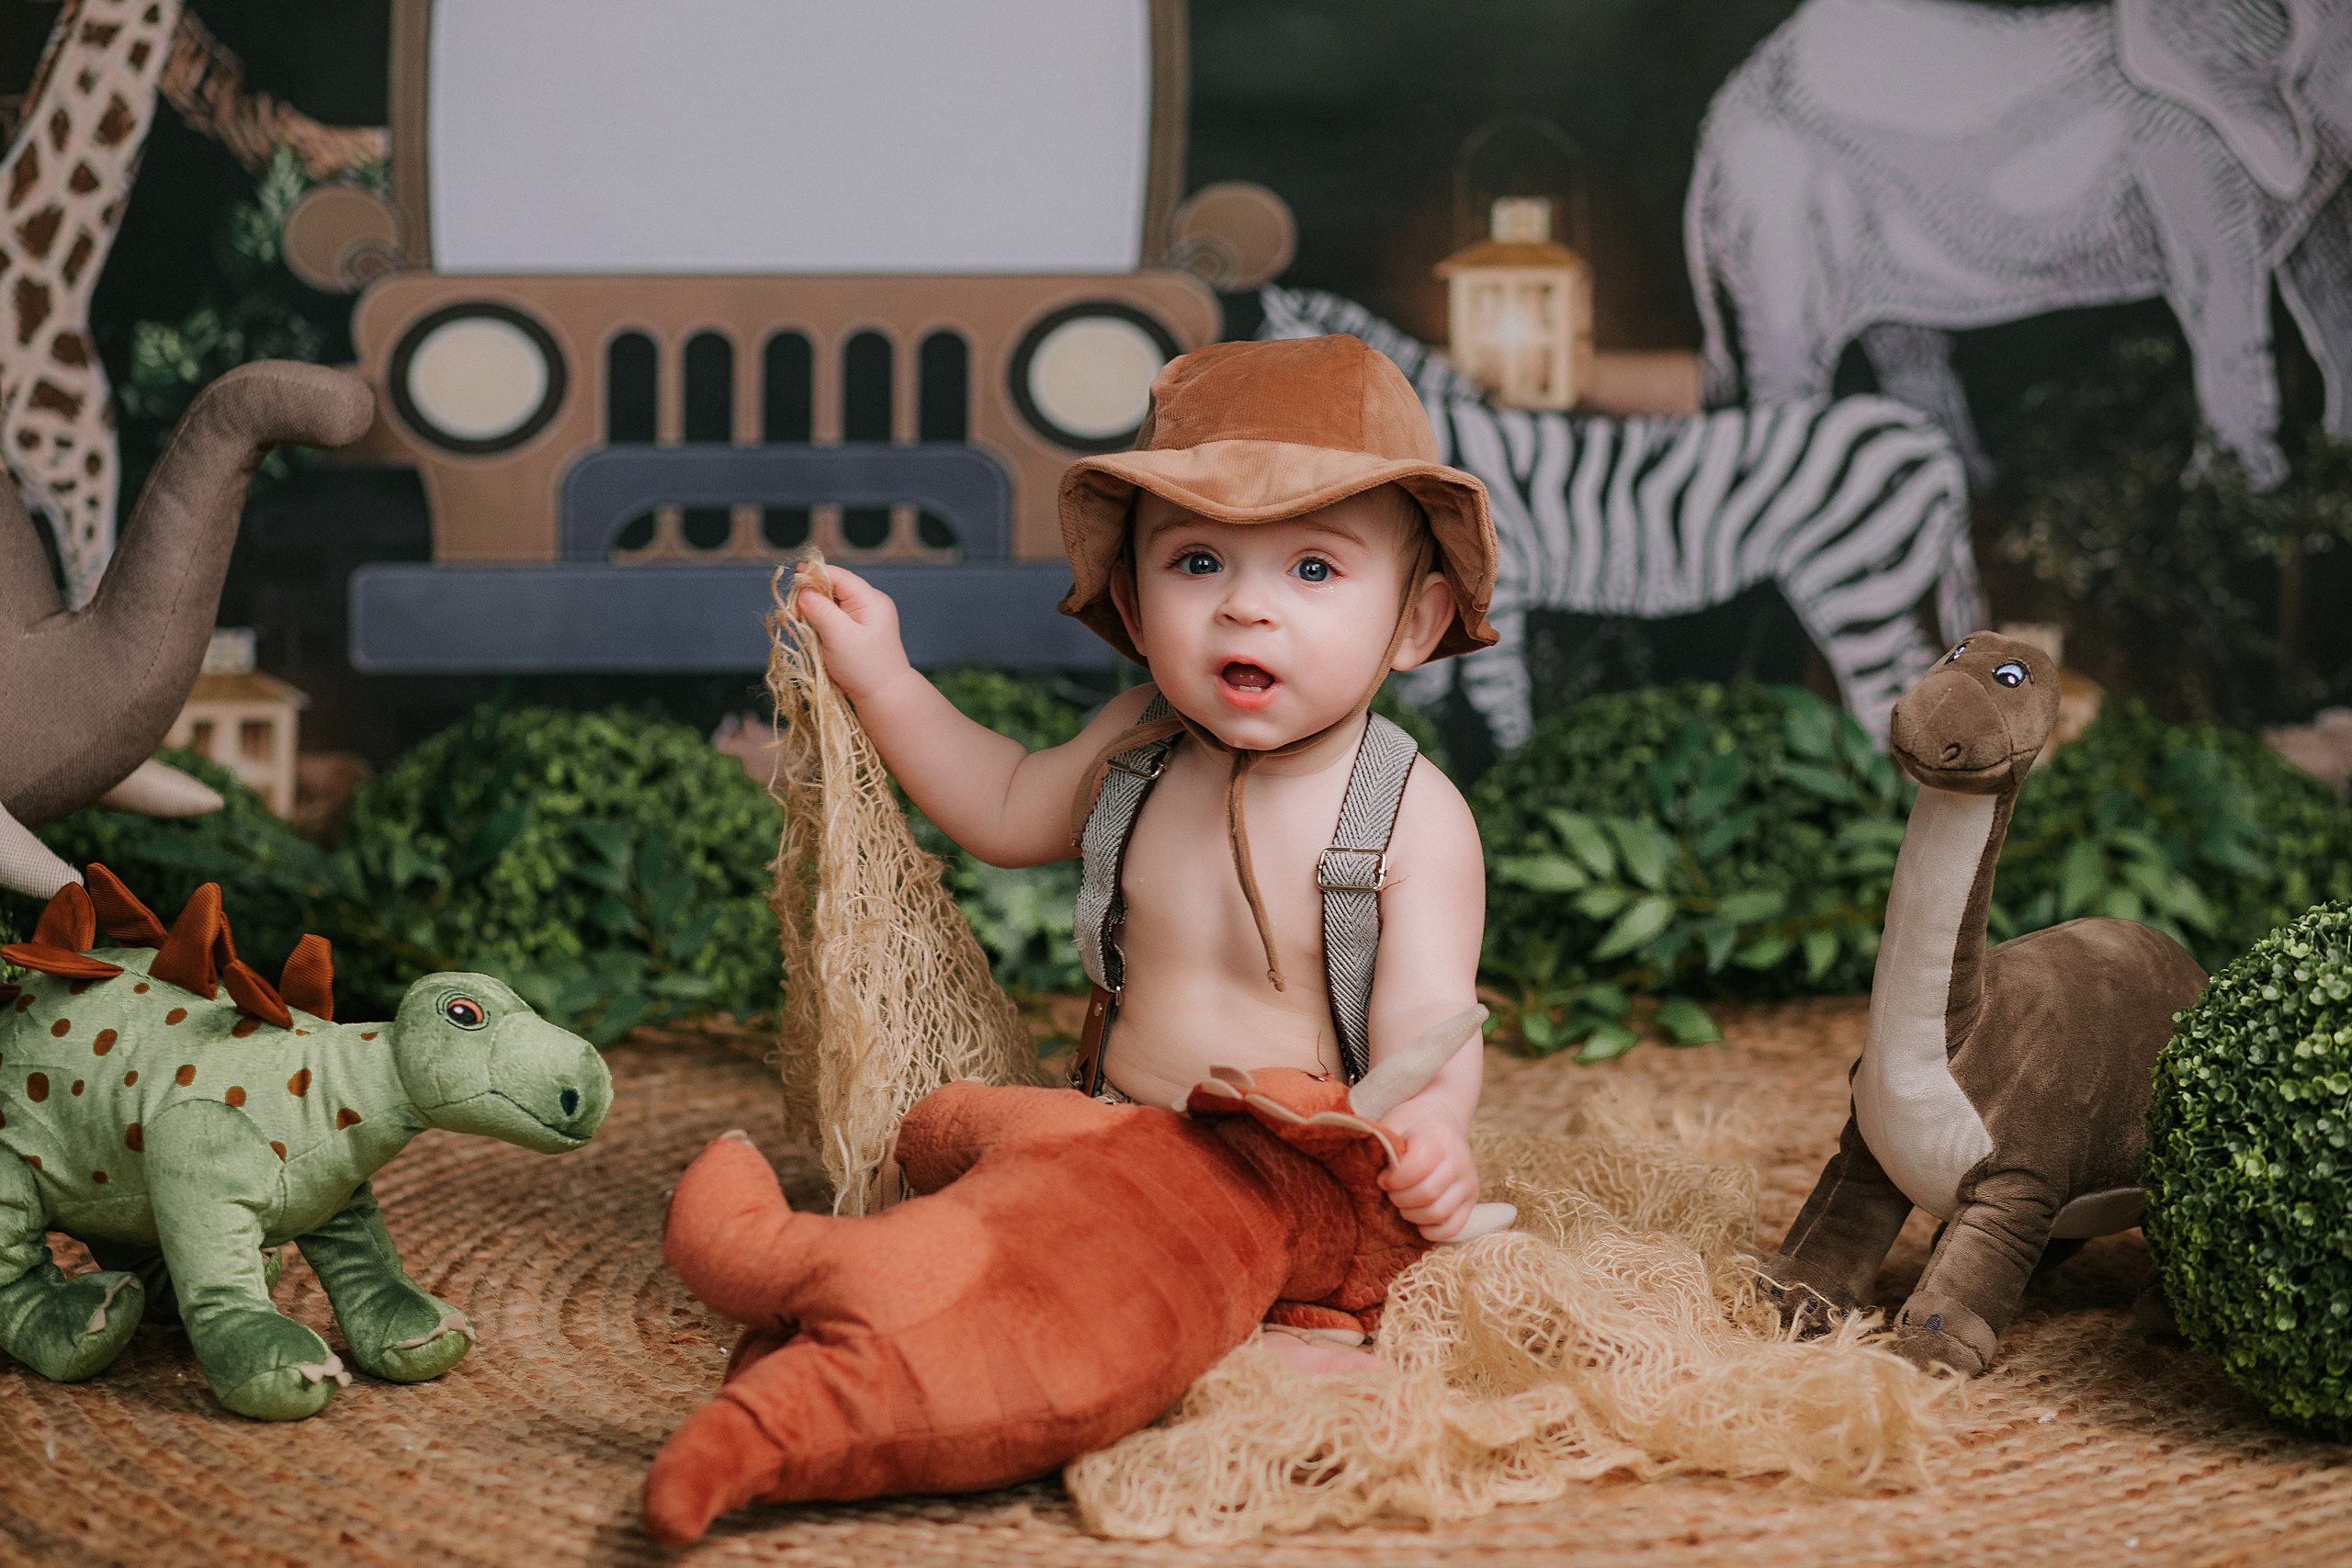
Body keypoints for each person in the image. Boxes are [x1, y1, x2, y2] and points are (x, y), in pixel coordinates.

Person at [791, 334, 1499, 1371]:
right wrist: (886, 680)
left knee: (1279, 1312)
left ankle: (1237, 1329)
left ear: (1415, 621)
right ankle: (875, 1290)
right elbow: (1001, 806)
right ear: (1131, 603)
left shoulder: (1412, 818)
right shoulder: (1133, 747)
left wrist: (1430, 1130)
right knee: (953, 1134)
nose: (1245, 605)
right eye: (1197, 562)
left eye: (1313, 567)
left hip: (1288, 1173)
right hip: (1110, 1133)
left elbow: (1428, 1022)